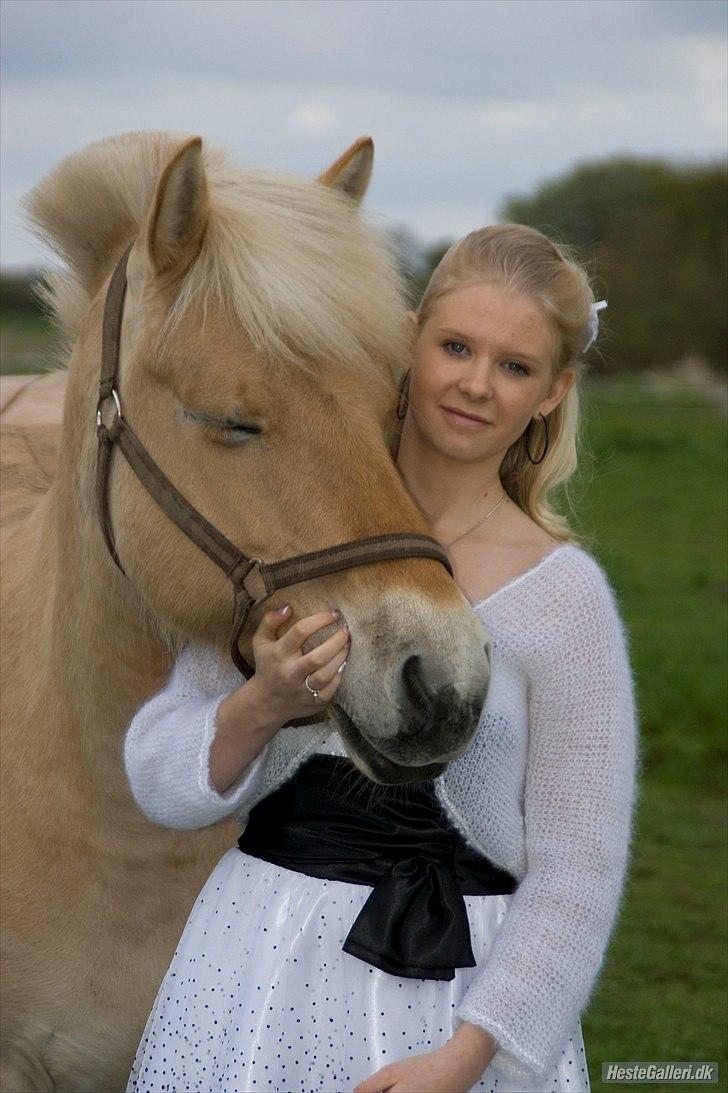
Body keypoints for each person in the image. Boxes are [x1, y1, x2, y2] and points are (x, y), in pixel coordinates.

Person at [123, 224, 638, 1093]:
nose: (476, 383)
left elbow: (578, 874)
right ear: (411, 339)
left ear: (553, 393)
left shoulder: (564, 597)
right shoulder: (298, 539)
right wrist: (263, 702)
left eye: (514, 367)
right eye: (456, 346)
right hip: (255, 961)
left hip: (457, 1003)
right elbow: (160, 782)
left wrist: (467, 1059)